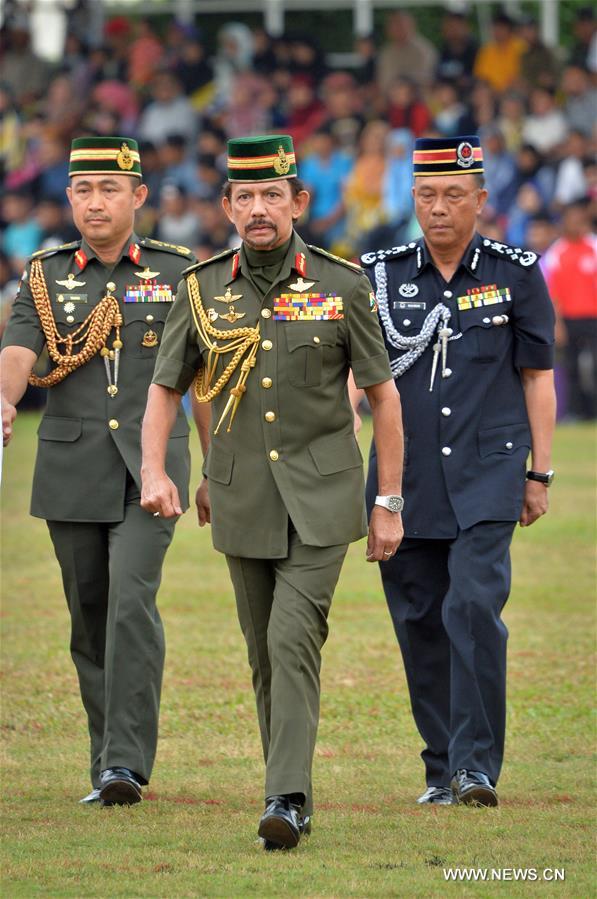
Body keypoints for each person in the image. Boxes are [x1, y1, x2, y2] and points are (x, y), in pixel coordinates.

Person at [140, 134, 403, 849]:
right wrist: (158, 469)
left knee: (292, 638)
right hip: (238, 494)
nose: (258, 209)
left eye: (271, 195)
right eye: (245, 196)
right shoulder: (199, 288)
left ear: (299, 200)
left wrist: (388, 500)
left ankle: (283, 796)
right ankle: (292, 793)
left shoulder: (343, 284)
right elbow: (166, 388)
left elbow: (382, 398)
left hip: (324, 497)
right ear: (226, 204)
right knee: (263, 653)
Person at [356, 135, 555, 808]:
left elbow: (536, 377)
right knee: (418, 620)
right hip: (401, 478)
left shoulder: (515, 271)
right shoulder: (379, 274)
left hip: (488, 471)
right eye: (425, 195)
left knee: (471, 605)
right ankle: (440, 765)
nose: (437, 209)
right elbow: (354, 376)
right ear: (411, 198)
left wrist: (540, 473)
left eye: (452, 196)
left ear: (479, 200)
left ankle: (475, 767)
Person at [0, 136, 195, 806]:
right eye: (83, 190)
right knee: (89, 615)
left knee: (130, 603)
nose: (95, 202)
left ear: (139, 196)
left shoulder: (179, 273)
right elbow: (20, 347)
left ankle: (125, 764)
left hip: (153, 468)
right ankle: (104, 757)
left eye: (109, 189)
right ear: (70, 198)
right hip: (71, 464)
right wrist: (3, 395)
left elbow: (212, 369)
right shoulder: (45, 274)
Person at [545, 200, 597, 421]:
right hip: (570, 319)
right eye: (570, 218)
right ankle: (576, 412)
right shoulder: (557, 252)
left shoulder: (594, 246)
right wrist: (558, 324)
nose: (574, 223)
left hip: (594, 317)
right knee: (572, 367)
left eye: (578, 218)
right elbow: (553, 294)